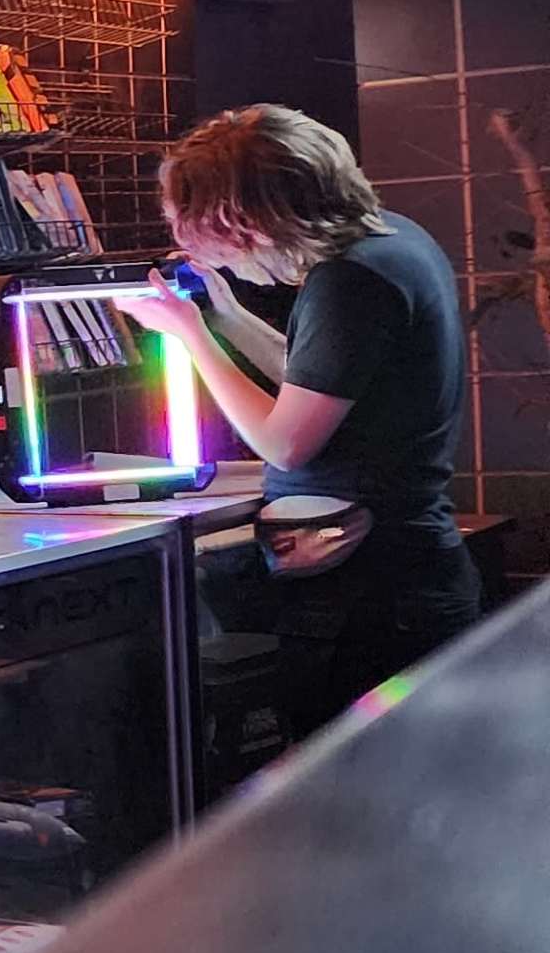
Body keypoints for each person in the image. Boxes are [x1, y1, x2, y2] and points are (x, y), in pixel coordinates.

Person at [115, 104, 477, 736]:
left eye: (201, 228)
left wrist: (189, 335)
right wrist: (224, 315)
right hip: (397, 583)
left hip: (371, 599)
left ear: (245, 218)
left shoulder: (350, 280)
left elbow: (284, 441)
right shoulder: (388, 241)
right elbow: (315, 378)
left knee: (355, 808)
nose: (205, 249)